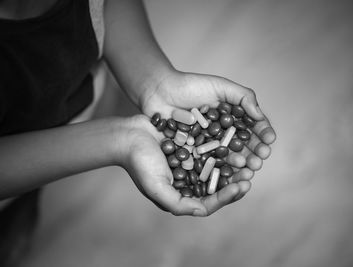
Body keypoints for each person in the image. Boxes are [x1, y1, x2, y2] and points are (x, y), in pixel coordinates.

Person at [0, 0, 275, 264]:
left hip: (79, 103)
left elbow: (104, 4)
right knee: (11, 234)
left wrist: (154, 81)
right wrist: (119, 140)